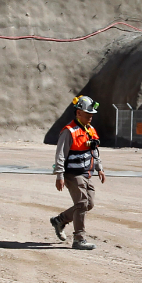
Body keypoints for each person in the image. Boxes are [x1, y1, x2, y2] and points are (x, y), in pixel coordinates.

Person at [50, 95, 106, 250]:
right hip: (72, 174)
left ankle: (59, 220)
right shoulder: (69, 132)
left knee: (89, 204)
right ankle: (79, 239)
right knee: (81, 204)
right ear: (78, 113)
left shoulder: (90, 129)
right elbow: (60, 155)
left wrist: (99, 168)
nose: (90, 117)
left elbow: (94, 150)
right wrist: (59, 175)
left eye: (92, 115)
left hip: (86, 174)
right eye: (88, 114)